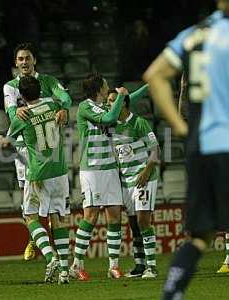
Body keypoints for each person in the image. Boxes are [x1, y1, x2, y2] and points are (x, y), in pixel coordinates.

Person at [143, 1, 229, 299]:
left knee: (202, 236)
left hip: (202, 147)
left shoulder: (194, 35)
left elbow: (155, 75)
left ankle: (172, 292)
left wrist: (182, 128)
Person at [0, 75, 70, 284]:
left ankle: (50, 257)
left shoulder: (22, 115)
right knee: (59, 218)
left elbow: (6, 143)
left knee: (30, 216)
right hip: (60, 171)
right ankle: (64, 272)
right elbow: (64, 99)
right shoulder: (54, 104)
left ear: (21, 95)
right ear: (41, 90)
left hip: (38, 173)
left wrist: (0, 140)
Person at [70, 73, 127, 281]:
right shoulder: (85, 107)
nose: (108, 87)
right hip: (92, 168)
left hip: (110, 167)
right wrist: (120, 96)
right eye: (106, 85)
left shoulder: (104, 107)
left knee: (114, 216)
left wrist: (148, 87)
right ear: (98, 90)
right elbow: (111, 118)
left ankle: (113, 266)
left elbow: (124, 105)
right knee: (91, 216)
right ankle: (77, 264)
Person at [107, 85, 160, 279]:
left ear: (123, 103)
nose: (109, 105)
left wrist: (147, 171)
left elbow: (156, 151)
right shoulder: (112, 126)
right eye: (108, 102)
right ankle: (140, 266)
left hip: (143, 178)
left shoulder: (139, 123)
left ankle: (152, 268)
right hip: (126, 182)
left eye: (112, 101)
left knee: (143, 221)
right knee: (133, 224)